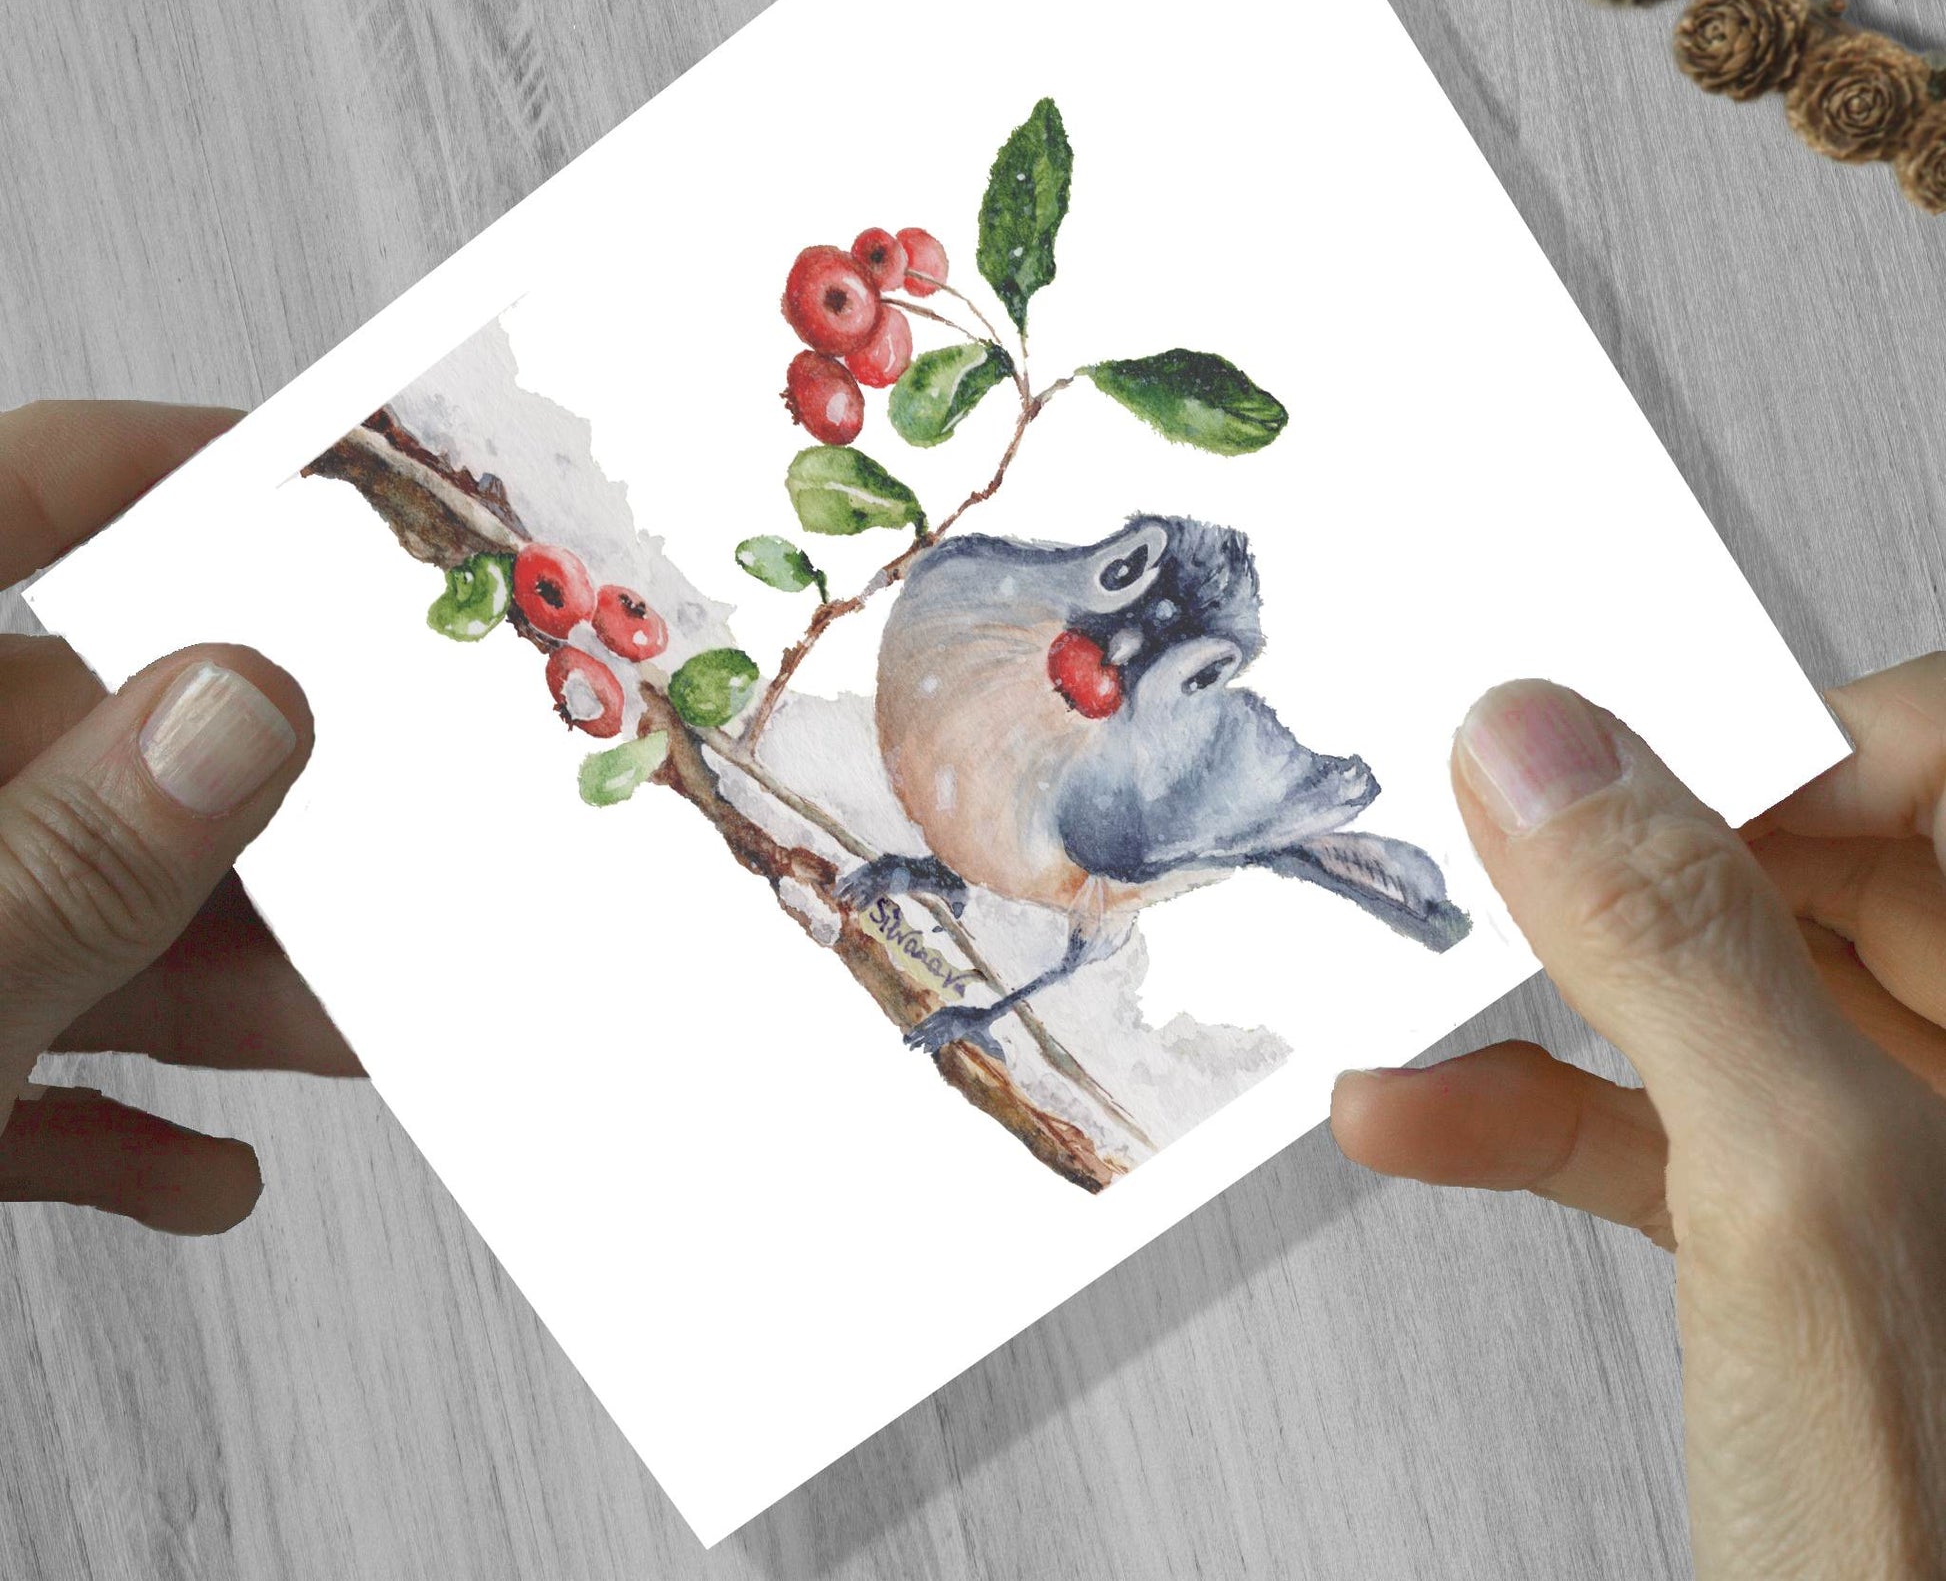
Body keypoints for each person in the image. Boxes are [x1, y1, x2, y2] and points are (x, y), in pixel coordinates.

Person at [2, 402, 1942, 1569]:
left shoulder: (1125, 767)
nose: (1126, 669)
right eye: (1136, 611)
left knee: (1100, 883)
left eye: (1178, 665)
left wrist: (977, 993)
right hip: (975, 811)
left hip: (1124, 847)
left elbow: (1118, 861)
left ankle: (1018, 986)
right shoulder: (952, 592)